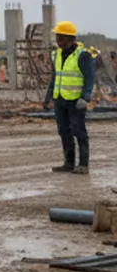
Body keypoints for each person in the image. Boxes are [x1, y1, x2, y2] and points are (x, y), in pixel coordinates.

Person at [44, 20, 93, 174]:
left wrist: (85, 98)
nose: (59, 42)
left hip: (75, 101)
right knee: (63, 131)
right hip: (60, 99)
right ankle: (69, 163)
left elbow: (89, 78)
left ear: (71, 39)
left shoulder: (82, 56)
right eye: (57, 38)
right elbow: (55, 77)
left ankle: (83, 164)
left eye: (61, 38)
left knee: (79, 131)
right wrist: (48, 97)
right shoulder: (55, 55)